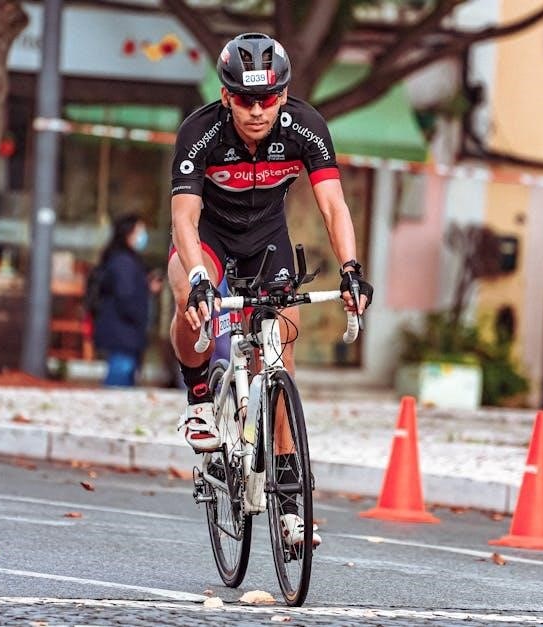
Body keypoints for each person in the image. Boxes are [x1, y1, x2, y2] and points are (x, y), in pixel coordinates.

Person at [167, 33, 374, 547]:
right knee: (189, 297)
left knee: (280, 358)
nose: (257, 110)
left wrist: (351, 269)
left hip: (267, 242)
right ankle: (199, 397)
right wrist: (200, 280)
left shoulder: (306, 126)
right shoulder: (200, 131)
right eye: (244, 99)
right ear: (226, 96)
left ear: (283, 94)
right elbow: (184, 218)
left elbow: (333, 206)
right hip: (209, 238)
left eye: (267, 98)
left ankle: (289, 503)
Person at [87, 214, 160, 387]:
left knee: (123, 377)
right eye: (140, 231)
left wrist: (146, 287)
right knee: (119, 381)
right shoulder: (123, 262)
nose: (143, 236)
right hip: (123, 332)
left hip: (124, 332)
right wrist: (139, 315)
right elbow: (125, 295)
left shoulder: (124, 259)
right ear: (128, 233)